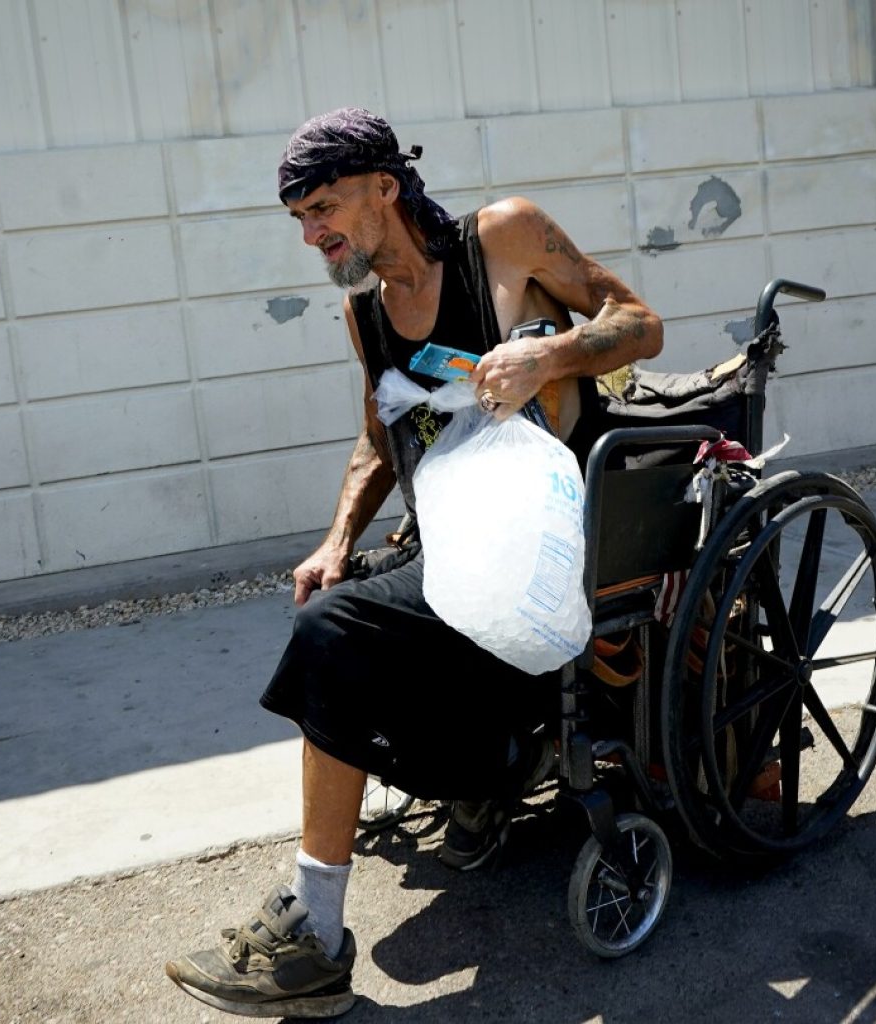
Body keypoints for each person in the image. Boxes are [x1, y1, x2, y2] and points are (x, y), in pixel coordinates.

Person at [165, 107, 663, 1019]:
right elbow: (378, 437)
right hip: (458, 546)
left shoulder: (503, 238)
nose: (315, 236)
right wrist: (335, 540)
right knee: (339, 613)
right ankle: (483, 773)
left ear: (384, 187)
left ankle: (313, 934)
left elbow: (639, 323)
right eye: (301, 221)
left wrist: (548, 353)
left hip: (557, 540)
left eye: (324, 208)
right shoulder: (368, 312)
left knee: (334, 629)